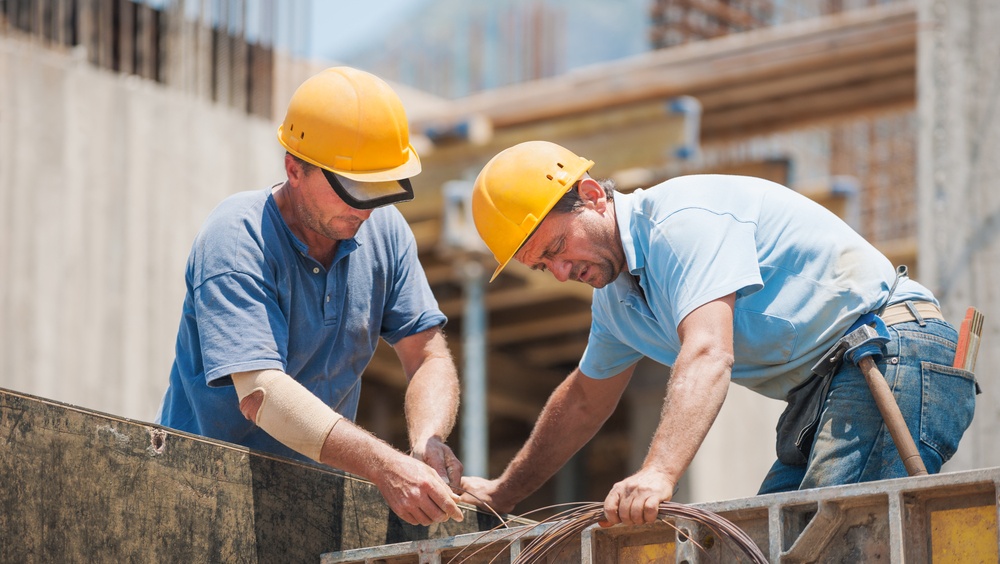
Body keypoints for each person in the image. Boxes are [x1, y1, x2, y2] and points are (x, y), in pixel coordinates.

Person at [460, 140, 977, 526]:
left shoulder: (680, 222)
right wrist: (504, 493)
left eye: (556, 248)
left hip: (892, 351)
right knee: (767, 542)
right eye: (541, 266)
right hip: (830, 386)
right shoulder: (617, 302)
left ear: (592, 196)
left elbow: (708, 352)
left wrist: (658, 472)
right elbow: (582, 402)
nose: (559, 272)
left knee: (831, 540)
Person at [156, 67, 464, 527]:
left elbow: (427, 356)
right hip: (199, 494)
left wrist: (427, 442)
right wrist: (385, 466)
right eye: (351, 189)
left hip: (311, 503)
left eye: (377, 189)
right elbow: (261, 394)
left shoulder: (385, 232)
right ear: (294, 169)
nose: (364, 209)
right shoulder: (237, 238)